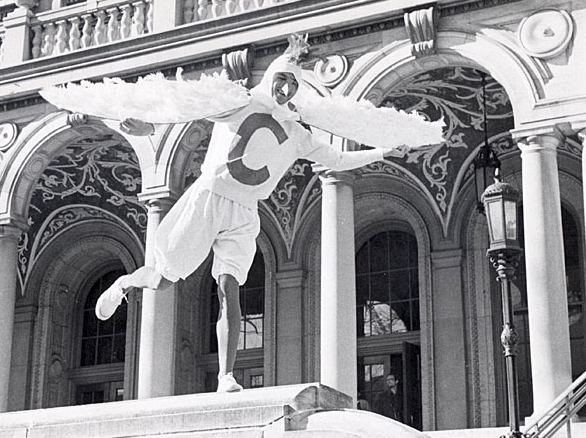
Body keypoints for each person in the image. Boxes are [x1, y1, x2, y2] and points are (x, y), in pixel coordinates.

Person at [94, 40, 409, 393]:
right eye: (282, 80)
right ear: (272, 76)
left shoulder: (296, 132)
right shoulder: (237, 103)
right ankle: (125, 284)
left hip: (244, 212)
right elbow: (183, 110)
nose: (286, 89)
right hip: (208, 198)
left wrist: (382, 151)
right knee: (163, 279)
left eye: (293, 85)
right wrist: (146, 126)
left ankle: (225, 376)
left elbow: (337, 159)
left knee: (230, 288)